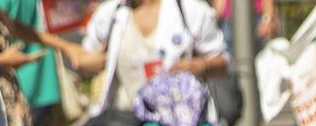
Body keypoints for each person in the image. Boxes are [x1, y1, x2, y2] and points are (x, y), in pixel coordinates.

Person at [61, 0, 230, 117]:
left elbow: (222, 62)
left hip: (182, 123)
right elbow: (83, 57)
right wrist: (88, 63)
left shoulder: (190, 10)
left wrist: (201, 66)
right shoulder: (110, 13)